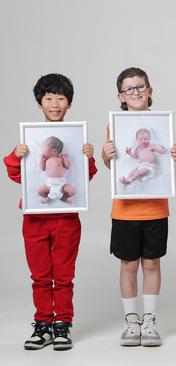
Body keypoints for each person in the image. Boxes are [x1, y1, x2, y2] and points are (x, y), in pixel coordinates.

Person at [4, 73, 97, 350]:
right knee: (40, 275)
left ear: (69, 104)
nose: (55, 104)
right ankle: (42, 323)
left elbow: (84, 179)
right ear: (39, 103)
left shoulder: (74, 140)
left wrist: (87, 157)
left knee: (64, 275)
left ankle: (62, 324)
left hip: (67, 220)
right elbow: (17, 177)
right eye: (48, 98)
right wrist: (14, 157)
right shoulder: (30, 141)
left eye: (60, 98)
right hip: (34, 219)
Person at [102, 67, 176, 347]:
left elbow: (166, 157)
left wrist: (174, 154)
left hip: (156, 208)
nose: (135, 92)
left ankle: (149, 320)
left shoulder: (162, 125)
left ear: (150, 90)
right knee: (128, 264)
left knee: (152, 263)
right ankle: (131, 321)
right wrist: (105, 154)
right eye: (129, 89)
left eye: (140, 87)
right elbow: (110, 163)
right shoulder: (116, 125)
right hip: (124, 208)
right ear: (120, 96)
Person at [37, 136, 75, 204]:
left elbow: (68, 166)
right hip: (49, 184)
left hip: (61, 184)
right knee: (39, 191)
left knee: (72, 192)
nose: (41, 149)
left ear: (54, 151)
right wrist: (42, 161)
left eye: (43, 147)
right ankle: (49, 197)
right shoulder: (46, 160)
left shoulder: (60, 159)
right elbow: (42, 168)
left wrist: (65, 159)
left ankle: (63, 198)